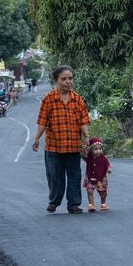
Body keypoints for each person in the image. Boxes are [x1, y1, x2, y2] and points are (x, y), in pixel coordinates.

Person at [32, 65, 91, 214]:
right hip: (54, 147)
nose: (68, 82)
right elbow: (42, 121)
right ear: (56, 81)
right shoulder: (49, 99)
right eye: (64, 79)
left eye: (70, 78)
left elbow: (83, 120)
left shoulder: (77, 99)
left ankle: (74, 204)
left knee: (74, 176)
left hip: (73, 147)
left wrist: (87, 137)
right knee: (55, 177)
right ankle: (54, 201)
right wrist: (37, 138)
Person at [84, 137, 112, 212]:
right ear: (91, 150)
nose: (98, 151)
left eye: (100, 149)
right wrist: (85, 147)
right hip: (90, 177)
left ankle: (103, 204)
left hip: (101, 179)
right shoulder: (89, 158)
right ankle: (91, 205)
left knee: (103, 192)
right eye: (95, 149)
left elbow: (108, 165)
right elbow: (83, 155)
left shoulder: (103, 158)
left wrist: (109, 169)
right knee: (89, 191)